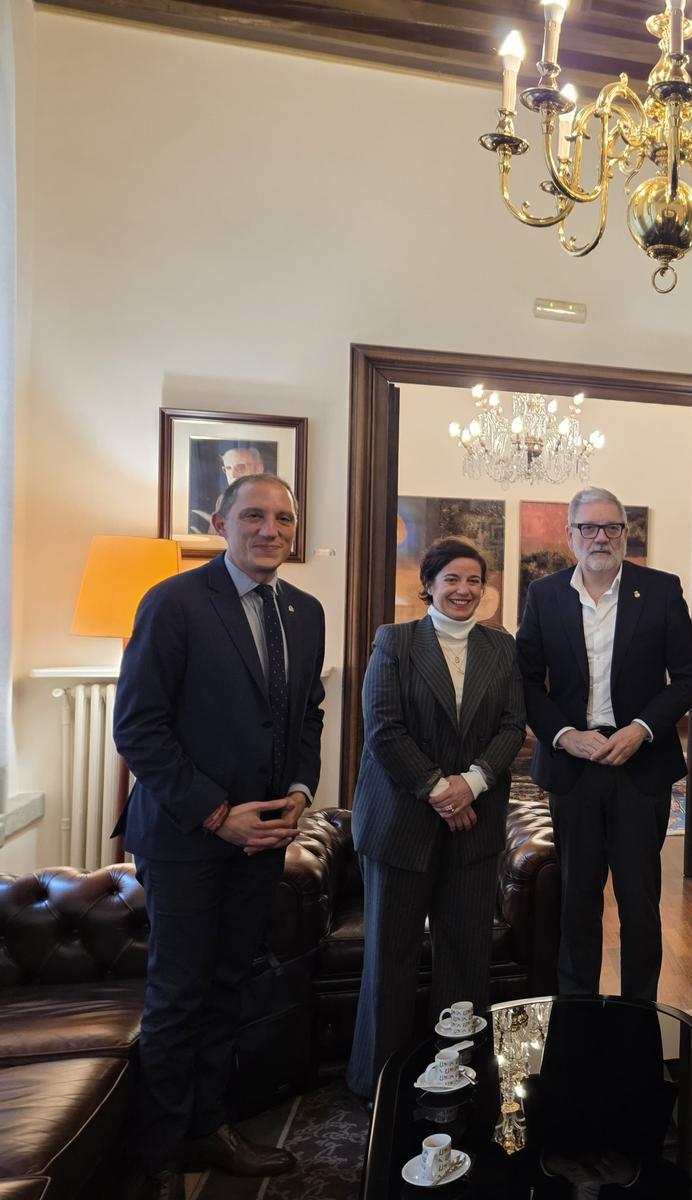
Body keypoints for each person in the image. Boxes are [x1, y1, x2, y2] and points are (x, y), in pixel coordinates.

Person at [113, 473, 325, 1200]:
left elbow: (307, 715)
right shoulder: (173, 601)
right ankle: (159, 1157)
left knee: (230, 987)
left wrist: (299, 794)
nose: (270, 530)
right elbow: (139, 727)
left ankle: (209, 1128)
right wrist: (215, 813)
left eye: (284, 519)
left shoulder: (304, 611)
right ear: (219, 522)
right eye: (254, 516)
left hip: (262, 839)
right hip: (185, 836)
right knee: (179, 995)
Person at [345, 537, 527, 1101]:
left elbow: (512, 727)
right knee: (390, 959)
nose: (463, 590)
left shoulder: (502, 647)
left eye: (473, 580)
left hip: (474, 824)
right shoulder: (394, 641)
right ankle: (380, 1084)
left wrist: (471, 784)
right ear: (428, 584)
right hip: (399, 823)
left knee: (466, 957)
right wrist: (439, 789)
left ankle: (459, 1077)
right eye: (452, 579)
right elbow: (383, 729)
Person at [517, 486, 692, 999]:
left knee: (640, 902)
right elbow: (526, 680)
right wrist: (564, 735)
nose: (600, 537)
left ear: (625, 532)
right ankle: (578, 1008)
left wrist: (641, 729)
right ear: (570, 535)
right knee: (577, 900)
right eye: (589, 528)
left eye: (612, 527)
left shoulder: (661, 590)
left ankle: (639, 1013)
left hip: (640, 767)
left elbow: (689, 677)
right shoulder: (545, 594)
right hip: (573, 767)